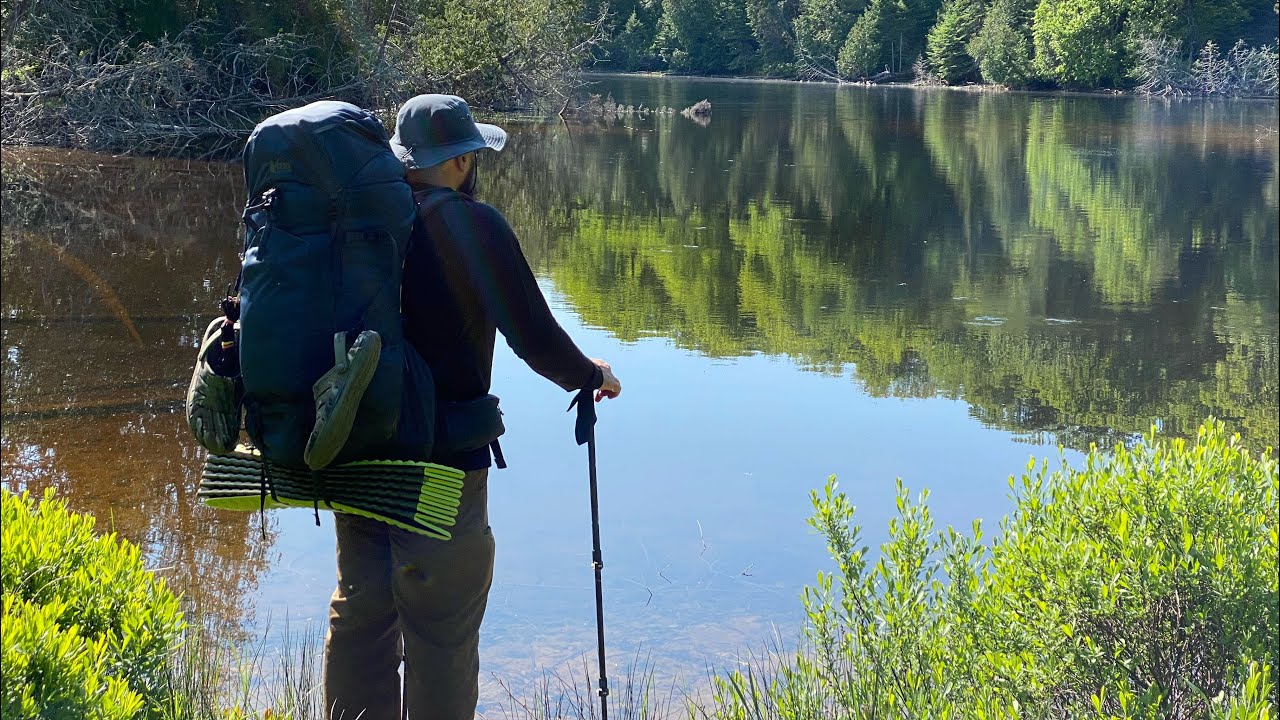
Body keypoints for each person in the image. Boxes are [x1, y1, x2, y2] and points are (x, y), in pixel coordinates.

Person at [322, 94, 622, 720]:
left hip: (352, 451)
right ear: (460, 162)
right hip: (441, 464)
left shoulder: (357, 224)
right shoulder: (471, 225)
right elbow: (534, 337)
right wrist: (591, 374)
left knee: (362, 618)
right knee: (440, 633)